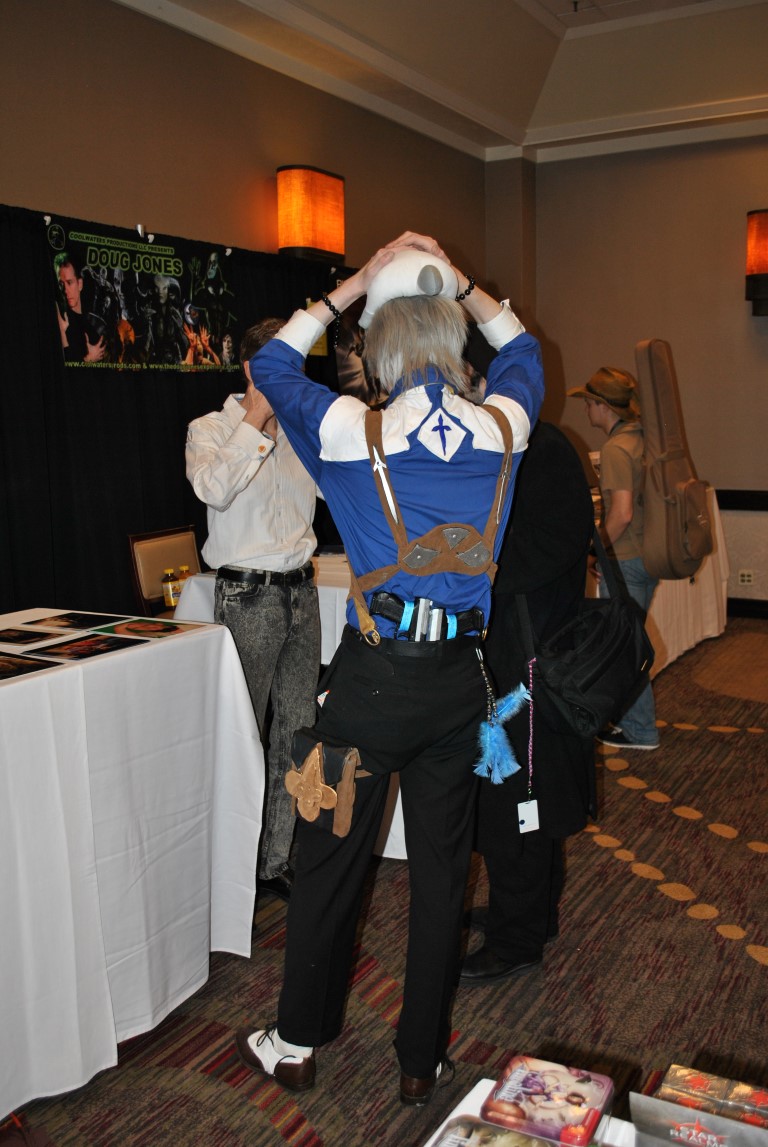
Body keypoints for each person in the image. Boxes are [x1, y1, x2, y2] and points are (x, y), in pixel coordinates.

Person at [232, 232, 544, 1106]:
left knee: (328, 859)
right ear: (451, 334)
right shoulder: (505, 423)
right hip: (458, 688)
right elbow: (522, 349)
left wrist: (352, 283)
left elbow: (273, 361)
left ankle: (297, 1040)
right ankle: (421, 1058)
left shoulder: (348, 427)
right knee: (443, 874)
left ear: (376, 346)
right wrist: (463, 281)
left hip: (368, 689)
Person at [185, 319, 321, 902]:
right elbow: (213, 490)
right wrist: (258, 418)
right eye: (282, 365)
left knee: (297, 729)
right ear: (251, 369)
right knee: (245, 734)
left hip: (302, 593)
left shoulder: (302, 430)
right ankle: (232, 863)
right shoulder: (210, 428)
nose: (294, 376)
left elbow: (339, 487)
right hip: (247, 597)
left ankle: (275, 858)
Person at [459, 421, 596, 985]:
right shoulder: (530, 444)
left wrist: (470, 556)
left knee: (516, 799)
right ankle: (532, 915)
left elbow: (543, 548)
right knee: (523, 796)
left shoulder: (540, 448)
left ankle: (517, 936)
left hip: (527, 664)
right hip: (525, 654)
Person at [567, 367, 659, 750]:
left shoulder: (616, 449)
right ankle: (633, 724)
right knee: (630, 642)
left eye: (588, 403)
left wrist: (595, 550)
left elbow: (621, 514)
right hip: (648, 555)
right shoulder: (643, 438)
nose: (586, 410)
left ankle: (640, 731)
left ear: (603, 406)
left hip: (626, 559)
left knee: (623, 649)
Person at [54, 253, 106, 363]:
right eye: (61, 284)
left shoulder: (91, 325)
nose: (66, 290)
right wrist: (88, 359)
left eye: (69, 282)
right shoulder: (62, 323)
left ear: (80, 284)